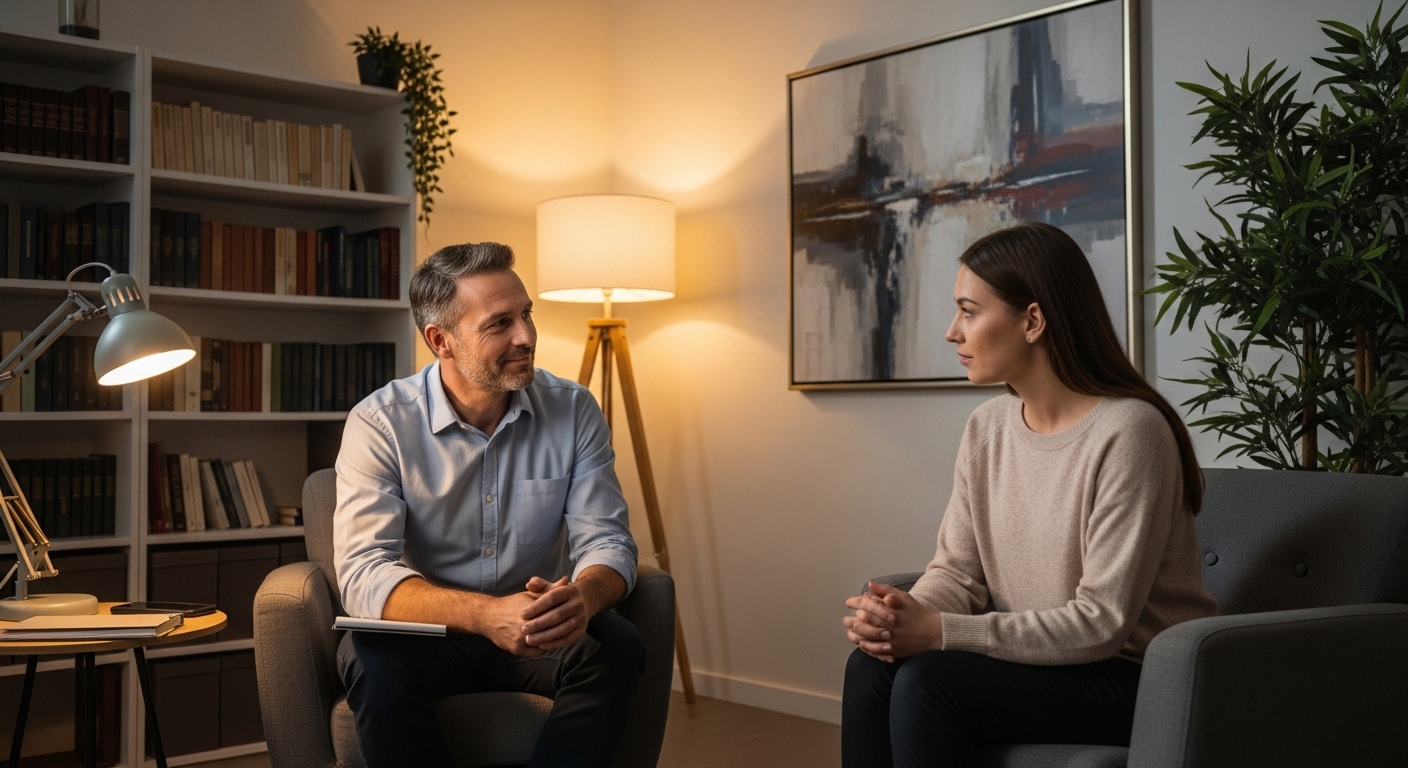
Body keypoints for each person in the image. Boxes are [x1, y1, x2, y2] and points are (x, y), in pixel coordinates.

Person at [841, 222, 1218, 768]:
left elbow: (1101, 622)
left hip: (1136, 677)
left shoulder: (1130, 432)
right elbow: (958, 572)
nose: (952, 332)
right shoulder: (987, 427)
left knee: (929, 683)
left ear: (1033, 321)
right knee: (871, 667)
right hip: (1044, 663)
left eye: (969, 312)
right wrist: (904, 615)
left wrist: (940, 633)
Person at [334, 242, 644, 768]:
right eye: (499, 323)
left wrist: (584, 599)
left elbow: (608, 541)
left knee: (616, 645)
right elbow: (364, 574)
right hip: (428, 635)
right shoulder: (381, 422)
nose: (525, 336)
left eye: (526, 315)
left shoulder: (573, 409)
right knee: (372, 656)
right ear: (441, 340)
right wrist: (484, 615)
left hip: (537, 629)